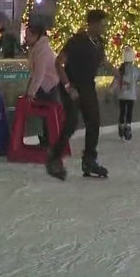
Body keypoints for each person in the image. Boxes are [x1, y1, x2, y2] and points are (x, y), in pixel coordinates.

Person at [47, 9, 109, 180]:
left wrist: (118, 75)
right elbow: (59, 63)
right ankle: (54, 157)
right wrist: (68, 86)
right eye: (102, 25)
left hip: (88, 85)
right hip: (71, 85)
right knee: (72, 121)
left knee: (94, 121)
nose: (104, 28)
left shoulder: (99, 43)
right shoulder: (76, 41)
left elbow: (103, 62)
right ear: (92, 24)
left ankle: (89, 159)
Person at [24, 21, 60, 146]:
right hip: (45, 86)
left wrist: (31, 92)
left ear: (36, 36)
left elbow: (39, 75)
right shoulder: (37, 49)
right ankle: (46, 141)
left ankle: (48, 142)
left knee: (47, 116)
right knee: (45, 116)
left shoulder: (42, 51)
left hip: (48, 87)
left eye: (28, 36)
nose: (25, 38)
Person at [113, 47, 140, 141]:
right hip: (131, 96)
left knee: (122, 112)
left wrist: (111, 89)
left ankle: (121, 127)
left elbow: (115, 81)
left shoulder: (120, 70)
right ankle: (128, 127)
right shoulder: (135, 70)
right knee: (129, 112)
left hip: (121, 95)